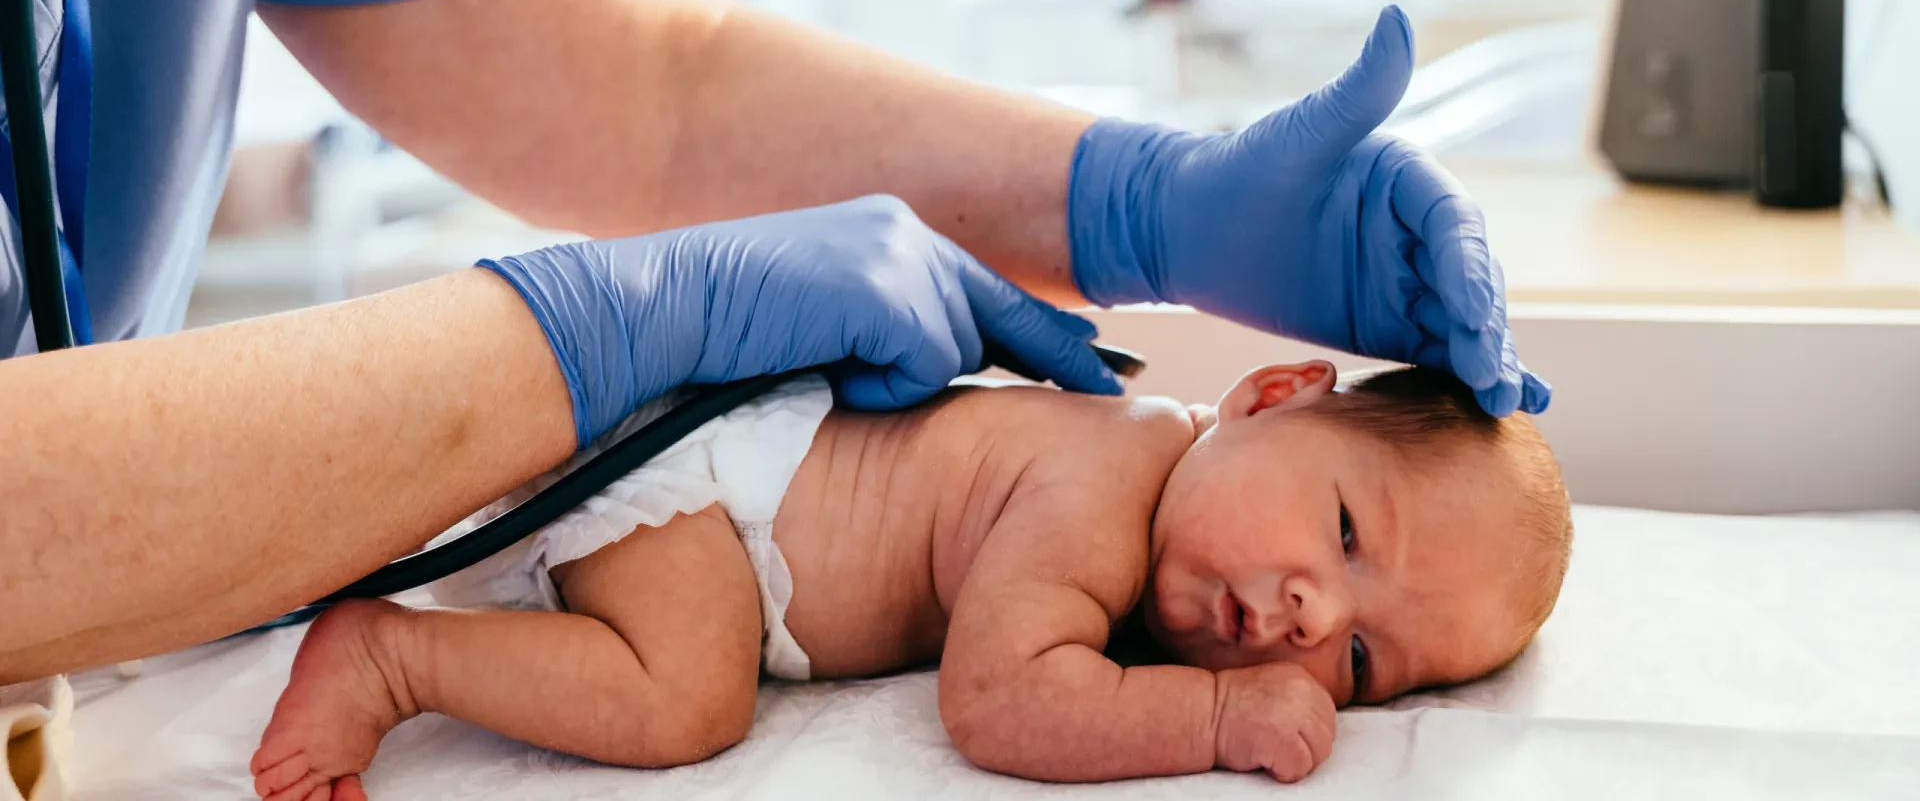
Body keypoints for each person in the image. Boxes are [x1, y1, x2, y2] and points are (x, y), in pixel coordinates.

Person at [0, 0, 1547, 685]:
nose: (1298, 620)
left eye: (1358, 658)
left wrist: (1141, 203)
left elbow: (661, 81)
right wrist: (588, 334)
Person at [246, 363, 1570, 797]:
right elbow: (996, 700)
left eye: (1359, 661)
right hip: (711, 498)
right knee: (685, 701)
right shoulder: (1105, 483)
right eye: (1345, 530)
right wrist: (1216, 724)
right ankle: (391, 656)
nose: (1312, 616)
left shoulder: (1157, 549)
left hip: (730, 513)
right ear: (1270, 396)